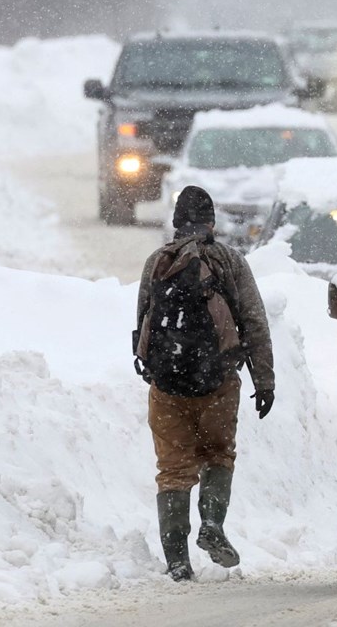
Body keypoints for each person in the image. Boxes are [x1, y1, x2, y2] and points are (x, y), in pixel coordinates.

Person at [134, 185, 275, 581]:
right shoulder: (228, 260)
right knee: (217, 455)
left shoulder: (157, 262)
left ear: (177, 222)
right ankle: (212, 524)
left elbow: (143, 318)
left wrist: (152, 367)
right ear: (211, 222)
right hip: (217, 384)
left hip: (167, 386)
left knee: (174, 470)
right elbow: (254, 324)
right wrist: (264, 381)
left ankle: (177, 559)